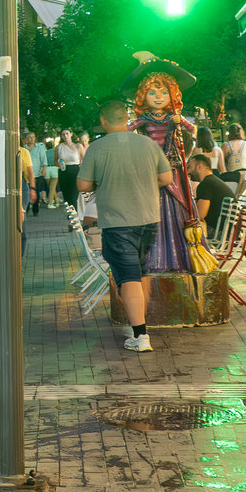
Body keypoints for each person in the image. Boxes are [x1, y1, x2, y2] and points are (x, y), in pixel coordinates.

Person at [77, 100, 173, 353]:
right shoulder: (148, 144)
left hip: (118, 222)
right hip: (149, 219)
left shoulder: (97, 147)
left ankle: (141, 335)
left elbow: (83, 186)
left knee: (129, 277)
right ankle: (136, 325)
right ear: (127, 118)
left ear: (104, 120)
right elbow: (166, 178)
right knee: (140, 273)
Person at [125, 60, 199, 274]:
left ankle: (179, 255)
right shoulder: (144, 118)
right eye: (152, 92)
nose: (158, 97)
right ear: (143, 96)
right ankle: (155, 257)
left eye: (163, 92)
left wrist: (180, 121)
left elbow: (193, 129)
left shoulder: (173, 117)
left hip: (173, 168)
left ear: (172, 95)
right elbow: (126, 130)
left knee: (177, 206)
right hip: (151, 169)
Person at [187, 155, 237, 245]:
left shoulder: (206, 184)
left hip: (221, 234)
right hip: (232, 233)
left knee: (186, 228)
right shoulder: (213, 181)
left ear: (199, 167)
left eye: (190, 167)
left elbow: (200, 215)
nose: (188, 171)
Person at [55, 129, 83, 211]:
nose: (65, 136)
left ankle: (75, 216)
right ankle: (71, 216)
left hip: (75, 171)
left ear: (71, 134)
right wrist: (59, 165)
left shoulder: (78, 146)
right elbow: (55, 161)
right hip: (63, 172)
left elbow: (85, 159)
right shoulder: (59, 147)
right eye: (63, 134)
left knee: (74, 195)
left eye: (67, 133)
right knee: (67, 196)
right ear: (61, 136)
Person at [25, 133, 46, 217]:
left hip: (37, 174)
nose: (31, 139)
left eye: (33, 137)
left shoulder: (40, 147)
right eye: (29, 137)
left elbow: (44, 159)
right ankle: (25, 210)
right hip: (25, 175)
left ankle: (35, 210)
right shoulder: (24, 148)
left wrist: (44, 169)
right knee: (25, 193)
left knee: (36, 193)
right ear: (26, 139)